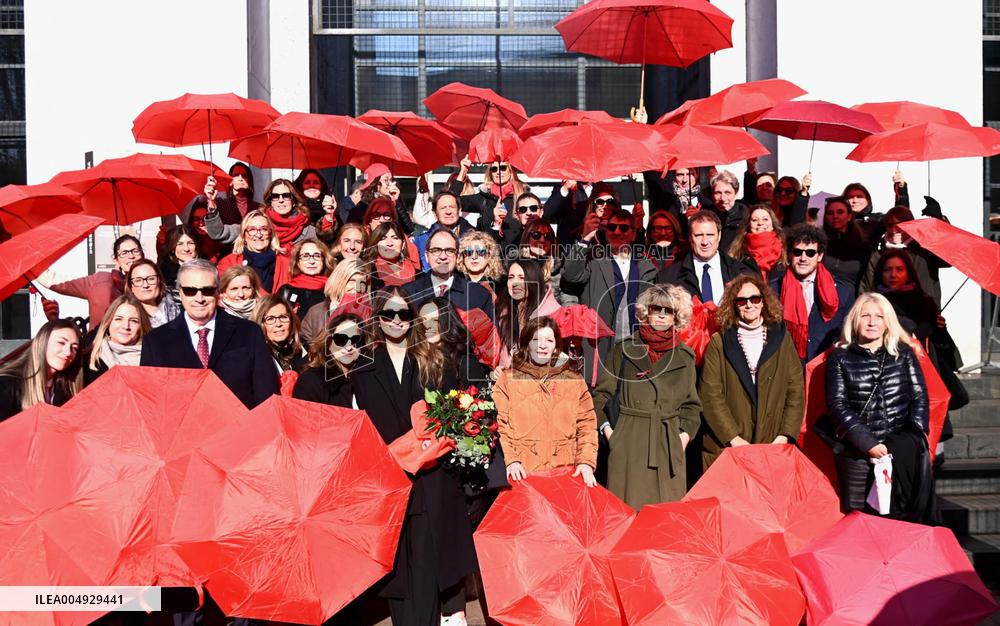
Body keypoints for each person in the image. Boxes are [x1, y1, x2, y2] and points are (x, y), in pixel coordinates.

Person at [350, 286, 477, 626]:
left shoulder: (434, 361)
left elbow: (453, 417)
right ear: (377, 319)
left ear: (413, 319)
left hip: (430, 480)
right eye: (388, 314)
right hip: (387, 483)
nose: (395, 321)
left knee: (424, 573)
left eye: (403, 314)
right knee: (396, 577)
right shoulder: (361, 368)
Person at [825, 293, 935, 522]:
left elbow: (919, 398)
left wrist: (910, 441)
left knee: (902, 519)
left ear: (888, 322)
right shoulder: (839, 357)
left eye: (879, 316)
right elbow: (838, 405)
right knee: (860, 519)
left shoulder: (904, 354)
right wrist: (869, 444)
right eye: (865, 316)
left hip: (900, 453)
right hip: (858, 455)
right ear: (855, 320)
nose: (872, 322)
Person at [592, 284, 702, 510]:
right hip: (628, 446)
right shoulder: (623, 350)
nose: (661, 315)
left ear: (676, 316)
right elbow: (600, 397)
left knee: (663, 524)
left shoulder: (685, 357)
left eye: (668, 310)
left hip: (667, 447)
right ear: (646, 312)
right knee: (626, 520)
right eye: (656, 308)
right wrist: (611, 434)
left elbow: (692, 408)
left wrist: (682, 438)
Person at [140, 259, 279, 409]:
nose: (199, 299)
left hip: (239, 428)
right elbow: (151, 402)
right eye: (190, 291)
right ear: (180, 293)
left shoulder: (248, 332)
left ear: (218, 292)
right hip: (184, 429)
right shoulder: (156, 342)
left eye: (207, 290)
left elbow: (267, 393)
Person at [699, 274, 805, 469]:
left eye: (755, 299)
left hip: (773, 444)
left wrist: (784, 436)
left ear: (764, 301)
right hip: (729, 446)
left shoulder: (782, 339)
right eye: (741, 300)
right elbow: (710, 395)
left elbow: (796, 390)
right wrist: (734, 438)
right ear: (734, 304)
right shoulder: (719, 342)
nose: (749, 305)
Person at [493, 317, 598, 485]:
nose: (542, 345)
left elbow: (587, 425)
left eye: (549, 340)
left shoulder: (574, 380)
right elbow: (499, 424)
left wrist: (585, 461)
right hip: (523, 474)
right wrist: (511, 459)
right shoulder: (508, 379)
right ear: (527, 343)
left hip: (565, 473)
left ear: (556, 345)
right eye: (536, 339)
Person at [563, 206, 657, 385]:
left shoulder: (645, 266)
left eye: (623, 228)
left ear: (633, 232)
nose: (617, 232)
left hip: (635, 347)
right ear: (605, 232)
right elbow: (571, 275)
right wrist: (585, 238)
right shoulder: (594, 260)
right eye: (612, 227)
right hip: (599, 348)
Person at [770, 225, 855, 362]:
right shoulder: (773, 289)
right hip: (787, 365)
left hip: (826, 365)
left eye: (810, 253)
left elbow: (849, 334)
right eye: (797, 252)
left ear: (820, 256)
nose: (803, 258)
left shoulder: (842, 291)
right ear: (790, 254)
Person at [40, 234, 143, 325]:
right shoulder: (100, 280)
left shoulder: (152, 283)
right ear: (116, 260)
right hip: (100, 344)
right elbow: (55, 281)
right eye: (124, 253)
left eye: (135, 251)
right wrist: (30, 260)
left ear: (142, 255)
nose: (131, 256)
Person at [858, 205, 950, 306]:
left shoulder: (925, 251)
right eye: (890, 225)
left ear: (910, 225)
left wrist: (940, 221)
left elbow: (948, 257)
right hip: (886, 315)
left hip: (923, 314)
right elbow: (866, 289)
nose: (894, 230)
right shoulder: (877, 256)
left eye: (899, 225)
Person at [658, 210, 754, 306]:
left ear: (719, 236)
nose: (705, 242)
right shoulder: (668, 278)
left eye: (710, 235)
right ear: (690, 238)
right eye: (698, 235)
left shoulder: (741, 273)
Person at [0, 319, 82, 421]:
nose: (68, 352)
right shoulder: (7, 386)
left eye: (74, 348)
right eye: (61, 343)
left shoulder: (65, 387)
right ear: (43, 342)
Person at [405, 229, 495, 321]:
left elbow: (490, 333)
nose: (443, 257)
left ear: (458, 256)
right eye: (436, 250)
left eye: (449, 251)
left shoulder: (478, 295)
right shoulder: (408, 293)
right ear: (427, 256)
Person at [207, 178, 317, 251]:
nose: (280, 200)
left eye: (286, 196)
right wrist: (211, 203)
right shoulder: (257, 224)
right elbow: (218, 233)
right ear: (270, 201)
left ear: (294, 201)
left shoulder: (309, 231)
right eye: (275, 196)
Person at [495, 259, 561, 369]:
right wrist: (498, 372)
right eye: (511, 277)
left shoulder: (552, 316)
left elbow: (559, 360)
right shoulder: (504, 314)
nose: (515, 283)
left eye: (522, 278)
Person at [292, 312, 364, 407]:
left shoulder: (368, 378)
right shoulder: (311, 381)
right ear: (328, 342)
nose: (349, 347)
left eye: (355, 340)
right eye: (341, 339)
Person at [216, 209, 291, 293]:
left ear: (270, 233)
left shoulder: (286, 264)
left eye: (264, 229)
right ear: (244, 234)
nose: (259, 235)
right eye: (252, 230)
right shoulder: (229, 263)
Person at [300, 259, 370, 347]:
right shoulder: (316, 312)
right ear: (339, 281)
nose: (356, 287)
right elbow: (307, 348)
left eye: (362, 283)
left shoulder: (370, 314)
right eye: (352, 281)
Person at [84, 294, 151, 384]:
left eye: (133, 321)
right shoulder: (89, 355)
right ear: (109, 322)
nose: (126, 326)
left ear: (142, 325)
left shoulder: (152, 358)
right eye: (119, 319)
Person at [411, 191, 478, 270]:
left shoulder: (476, 238)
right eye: (443, 208)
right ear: (435, 213)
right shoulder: (422, 241)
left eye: (452, 207)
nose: (448, 212)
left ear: (459, 210)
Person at [821, 195, 871, 289]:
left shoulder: (862, 246)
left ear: (849, 216)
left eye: (840, 212)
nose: (835, 216)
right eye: (830, 213)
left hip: (851, 300)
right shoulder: (819, 244)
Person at [275, 238, 331, 319]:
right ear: (298, 262)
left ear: (324, 260)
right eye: (306, 256)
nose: (311, 261)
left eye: (317, 256)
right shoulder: (286, 290)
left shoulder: (332, 289)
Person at [727, 204, 787, 279]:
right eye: (755, 220)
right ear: (748, 225)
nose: (760, 223)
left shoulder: (785, 249)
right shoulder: (737, 253)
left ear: (772, 224)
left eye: (765, 219)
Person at [253, 294, 307, 375]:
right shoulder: (257, 357)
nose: (278, 324)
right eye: (270, 319)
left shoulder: (304, 348)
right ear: (260, 323)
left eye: (283, 317)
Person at [124, 259, 180, 328]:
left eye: (151, 279)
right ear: (131, 286)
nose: (145, 285)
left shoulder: (178, 307)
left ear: (159, 281)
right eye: (138, 280)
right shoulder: (127, 315)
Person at [365, 221, 421, 288]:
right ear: (376, 244)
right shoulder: (368, 271)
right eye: (383, 238)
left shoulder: (415, 270)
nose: (389, 243)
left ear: (403, 245)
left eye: (395, 238)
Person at [159, 225, 201, 304]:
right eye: (180, 244)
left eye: (190, 243)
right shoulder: (163, 274)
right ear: (172, 248)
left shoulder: (209, 269)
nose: (186, 249)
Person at [707, 170, 747, 251]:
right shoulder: (706, 216)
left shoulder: (746, 216)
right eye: (718, 193)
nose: (723, 198)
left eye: (727, 193)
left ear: (736, 194)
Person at [456, 230, 504, 295]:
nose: (474, 257)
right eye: (469, 252)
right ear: (462, 257)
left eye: (481, 252)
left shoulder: (501, 286)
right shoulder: (455, 283)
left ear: (489, 255)